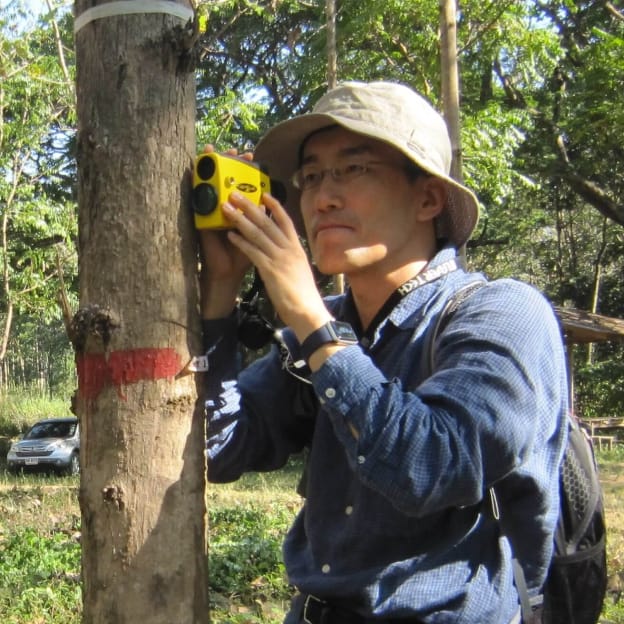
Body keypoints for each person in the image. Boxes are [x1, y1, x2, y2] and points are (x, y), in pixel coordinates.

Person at [199, 81, 568, 624]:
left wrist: (313, 323)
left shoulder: (503, 312)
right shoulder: (325, 323)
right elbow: (220, 449)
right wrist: (221, 297)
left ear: (428, 198)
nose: (323, 198)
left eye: (354, 169)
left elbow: (434, 465)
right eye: (312, 176)